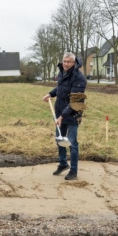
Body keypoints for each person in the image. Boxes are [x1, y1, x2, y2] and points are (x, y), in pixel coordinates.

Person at [42, 52, 87, 180]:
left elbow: (75, 101)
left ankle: (73, 171)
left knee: (72, 142)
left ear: (74, 63)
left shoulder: (79, 78)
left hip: (73, 113)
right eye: (64, 61)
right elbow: (60, 88)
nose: (66, 64)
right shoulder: (62, 72)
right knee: (60, 139)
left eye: (69, 62)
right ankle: (63, 163)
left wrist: (62, 116)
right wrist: (50, 94)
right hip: (60, 111)